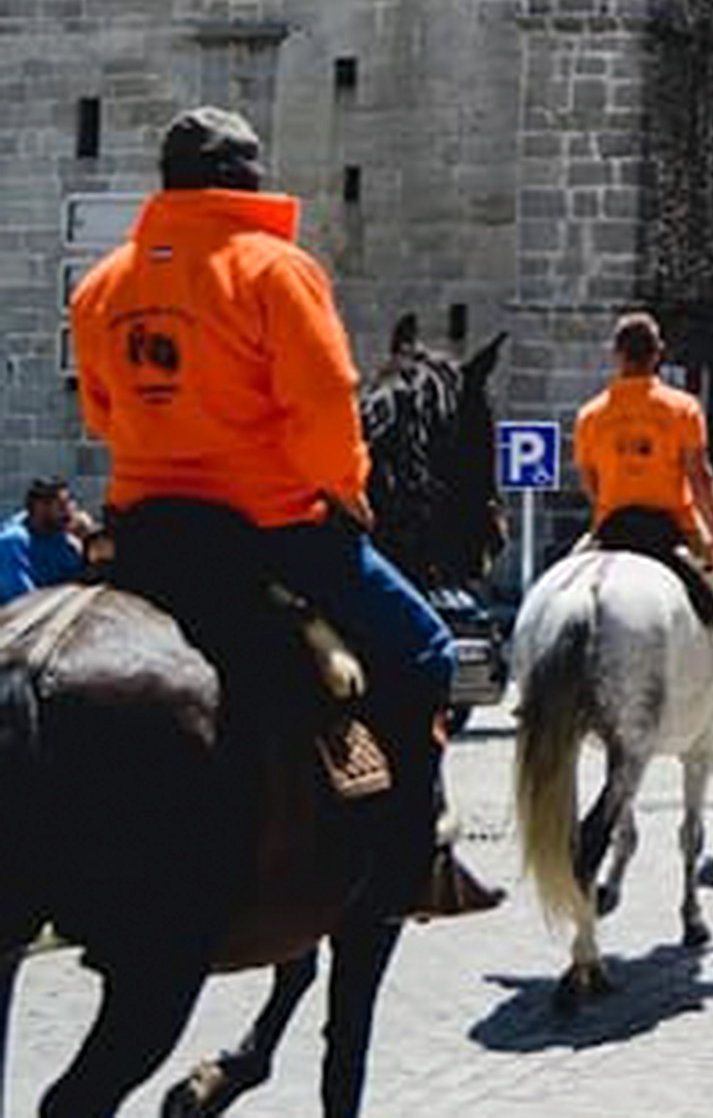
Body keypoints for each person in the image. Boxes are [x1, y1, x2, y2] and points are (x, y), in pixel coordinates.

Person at [70, 105, 494, 919]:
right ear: (245, 180)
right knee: (427, 650)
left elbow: (100, 412)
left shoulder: (103, 285)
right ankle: (409, 854)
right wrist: (348, 487)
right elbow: (325, 401)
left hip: (143, 531)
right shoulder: (274, 269)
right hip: (268, 527)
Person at [575, 312, 713, 707]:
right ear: (658, 354)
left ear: (616, 355)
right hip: (672, 529)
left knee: (556, 592)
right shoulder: (683, 408)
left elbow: (589, 480)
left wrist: (608, 504)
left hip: (610, 528)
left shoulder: (590, 415)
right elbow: (700, 477)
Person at [0, 477, 86, 605]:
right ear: (40, 507)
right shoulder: (13, 541)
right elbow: (20, 600)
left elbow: (77, 580)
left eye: (71, 503)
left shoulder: (63, 539)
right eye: (62, 506)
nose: (70, 512)